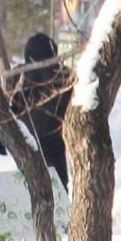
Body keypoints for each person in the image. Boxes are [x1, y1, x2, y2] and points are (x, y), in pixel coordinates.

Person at [10, 32, 73, 184]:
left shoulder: (18, 77)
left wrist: (0, 138)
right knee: (59, 191)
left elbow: (9, 109)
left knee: (30, 189)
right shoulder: (64, 76)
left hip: (26, 142)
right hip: (55, 143)